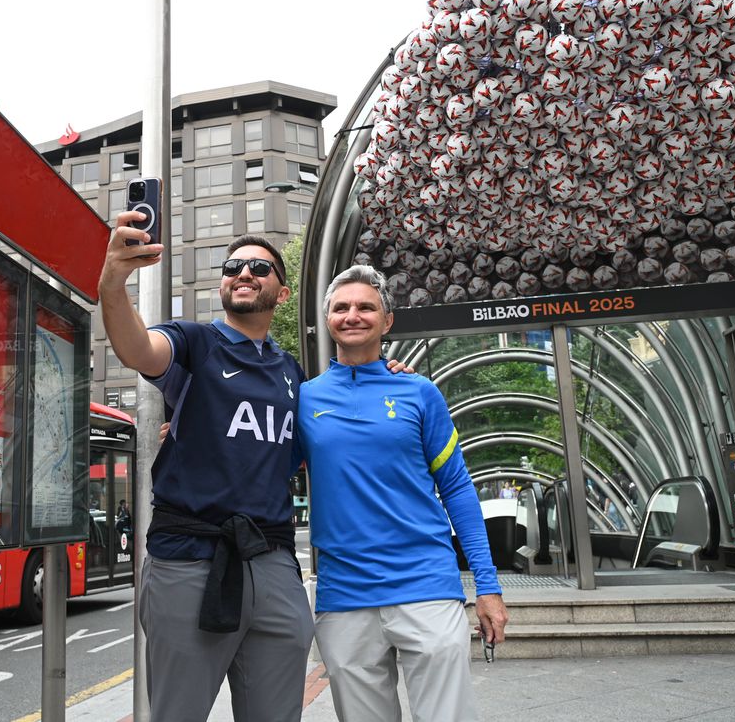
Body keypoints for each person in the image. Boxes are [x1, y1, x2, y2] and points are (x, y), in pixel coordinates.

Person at [98, 211, 312, 722]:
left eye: (260, 269)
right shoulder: (195, 341)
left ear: (282, 294)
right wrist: (112, 283)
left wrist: (382, 371)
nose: (244, 273)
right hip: (190, 561)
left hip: (274, 562)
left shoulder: (292, 374)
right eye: (234, 265)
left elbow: (314, 446)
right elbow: (136, 348)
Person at [299, 265, 508, 722]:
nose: (352, 315)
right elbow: (258, 459)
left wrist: (488, 587)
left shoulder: (420, 392)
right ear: (329, 318)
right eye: (341, 307)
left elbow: (457, 488)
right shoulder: (304, 398)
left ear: (387, 321)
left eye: (365, 307)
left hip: (427, 586)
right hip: (344, 594)